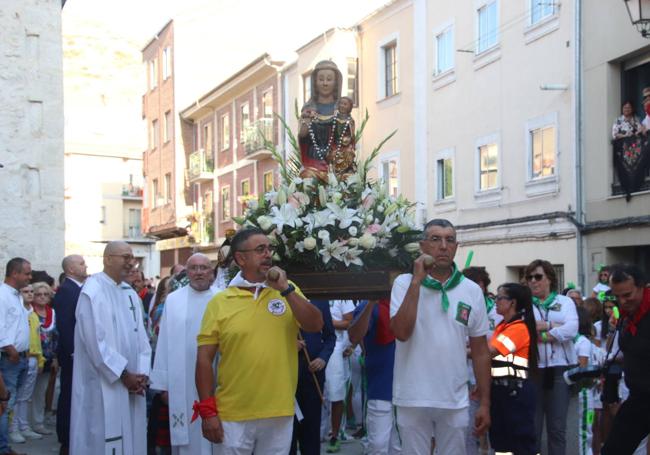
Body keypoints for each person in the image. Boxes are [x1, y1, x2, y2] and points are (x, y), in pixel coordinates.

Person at [194, 228, 323, 454]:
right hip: (232, 415)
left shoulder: (287, 291)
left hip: (279, 412)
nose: (268, 254)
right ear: (240, 258)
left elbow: (315, 325)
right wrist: (208, 412)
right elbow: (204, 360)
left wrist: (285, 289)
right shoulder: (220, 302)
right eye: (260, 249)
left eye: (269, 249)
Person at [390, 219, 491, 454]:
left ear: (456, 246)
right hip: (412, 397)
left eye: (450, 240)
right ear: (422, 246)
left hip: (454, 399)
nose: (443, 246)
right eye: (435, 239)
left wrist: (485, 403)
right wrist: (417, 281)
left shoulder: (472, 290)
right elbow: (401, 333)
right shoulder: (403, 283)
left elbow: (480, 351)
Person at [70, 241, 151, 455]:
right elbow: (94, 342)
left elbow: (142, 338)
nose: (131, 262)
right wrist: (123, 374)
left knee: (132, 435)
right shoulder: (93, 291)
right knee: (102, 436)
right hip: (104, 382)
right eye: (125, 257)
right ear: (107, 259)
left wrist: (142, 374)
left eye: (132, 257)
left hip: (133, 383)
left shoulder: (130, 293)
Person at [150, 253, 218, 455]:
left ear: (211, 272)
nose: (199, 272)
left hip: (216, 374)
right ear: (187, 273)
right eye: (194, 268)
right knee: (188, 436)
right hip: (182, 379)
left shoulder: (222, 298)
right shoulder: (173, 300)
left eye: (203, 268)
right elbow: (164, 342)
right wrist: (163, 384)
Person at [525, 259, 578, 455]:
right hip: (533, 370)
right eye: (529, 277)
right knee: (533, 428)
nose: (533, 281)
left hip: (559, 371)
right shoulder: (524, 304)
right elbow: (524, 331)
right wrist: (557, 327)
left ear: (549, 279)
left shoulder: (565, 302)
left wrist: (546, 329)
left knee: (557, 429)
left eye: (538, 276)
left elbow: (572, 329)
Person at [601, 264, 650, 454]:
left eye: (627, 295)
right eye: (617, 296)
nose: (622, 301)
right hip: (639, 397)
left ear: (642, 287)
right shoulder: (628, 314)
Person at [488, 283, 538, 455]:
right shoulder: (502, 327)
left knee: (521, 443)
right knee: (501, 444)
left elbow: (490, 352)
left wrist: (460, 349)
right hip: (501, 390)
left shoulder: (518, 328)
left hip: (515, 393)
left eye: (499, 297)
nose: (496, 301)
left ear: (512, 303)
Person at [348, 299, 401, 455]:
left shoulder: (409, 300)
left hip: (409, 391)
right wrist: (371, 303)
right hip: (380, 388)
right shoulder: (367, 305)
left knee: (401, 448)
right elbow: (354, 337)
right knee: (378, 446)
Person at [462, 266, 502, 455]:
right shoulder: (461, 310)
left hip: (495, 375)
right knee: (469, 429)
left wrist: (476, 351)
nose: (478, 292)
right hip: (467, 377)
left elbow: (498, 346)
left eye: (482, 287)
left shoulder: (497, 311)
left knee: (495, 429)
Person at [290, 300, 336, 455]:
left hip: (312, 377)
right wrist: (289, 344)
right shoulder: (279, 299)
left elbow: (330, 337)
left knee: (311, 432)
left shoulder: (319, 302)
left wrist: (323, 358)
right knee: (288, 434)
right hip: (286, 379)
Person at [52, 254, 87, 455]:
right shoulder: (67, 291)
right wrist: (73, 351)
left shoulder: (78, 289)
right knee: (68, 394)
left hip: (79, 354)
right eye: (81, 264)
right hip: (73, 355)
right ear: (71, 269)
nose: (86, 266)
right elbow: (65, 325)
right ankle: (66, 437)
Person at [0, 257, 32, 455]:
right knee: (4, 403)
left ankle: (4, 444)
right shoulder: (2, 295)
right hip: (9, 358)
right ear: (14, 273)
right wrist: (9, 349)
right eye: (27, 273)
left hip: (20, 358)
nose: (29, 277)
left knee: (9, 405)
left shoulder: (16, 296)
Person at [8, 285, 44, 443]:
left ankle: (24, 426)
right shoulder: (18, 312)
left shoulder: (33, 313)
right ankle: (13, 428)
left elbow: (37, 338)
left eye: (31, 292)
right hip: (19, 357)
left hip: (33, 358)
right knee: (14, 396)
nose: (30, 294)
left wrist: (40, 359)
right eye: (26, 291)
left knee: (26, 397)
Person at [298, 60, 343, 182]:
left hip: (336, 161)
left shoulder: (341, 108)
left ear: (336, 82)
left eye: (329, 79)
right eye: (321, 79)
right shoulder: (309, 108)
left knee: (347, 181)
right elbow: (302, 136)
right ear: (315, 82)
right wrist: (306, 121)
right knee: (307, 178)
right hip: (313, 161)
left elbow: (348, 137)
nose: (325, 83)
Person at [324, 299, 355, 453]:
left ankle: (335, 435)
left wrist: (326, 322)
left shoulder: (342, 296)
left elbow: (349, 322)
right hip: (311, 343)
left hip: (335, 346)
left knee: (336, 393)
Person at [29, 282, 58, 436]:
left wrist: (55, 357)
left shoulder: (52, 313)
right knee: (25, 393)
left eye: (45, 294)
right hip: (31, 358)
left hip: (48, 358)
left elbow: (55, 337)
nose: (42, 297)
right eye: (38, 294)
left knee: (41, 392)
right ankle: (22, 425)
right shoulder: (29, 312)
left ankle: (38, 423)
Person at [328, 96, 357, 180]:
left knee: (348, 153)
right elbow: (330, 133)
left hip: (346, 146)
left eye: (345, 104)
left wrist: (348, 141)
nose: (342, 106)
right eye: (341, 103)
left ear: (350, 107)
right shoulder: (333, 119)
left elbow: (352, 135)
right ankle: (333, 174)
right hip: (333, 145)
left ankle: (344, 173)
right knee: (331, 155)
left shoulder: (350, 121)